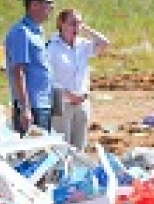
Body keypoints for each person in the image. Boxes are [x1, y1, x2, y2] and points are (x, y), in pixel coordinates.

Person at [47, 9, 110, 150]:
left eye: (79, 23)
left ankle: (76, 171)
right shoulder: (51, 47)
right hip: (60, 100)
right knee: (62, 146)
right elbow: (47, 79)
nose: (76, 27)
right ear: (61, 24)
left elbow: (104, 43)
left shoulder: (83, 45)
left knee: (79, 146)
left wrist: (85, 29)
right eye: (72, 23)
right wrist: (68, 94)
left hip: (81, 100)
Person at [4, 0, 55, 134]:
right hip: (32, 106)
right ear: (34, 5)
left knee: (44, 151)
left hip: (43, 103)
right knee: (33, 154)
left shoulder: (37, 31)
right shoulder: (22, 32)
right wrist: (25, 108)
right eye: (47, 3)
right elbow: (18, 71)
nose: (51, 7)